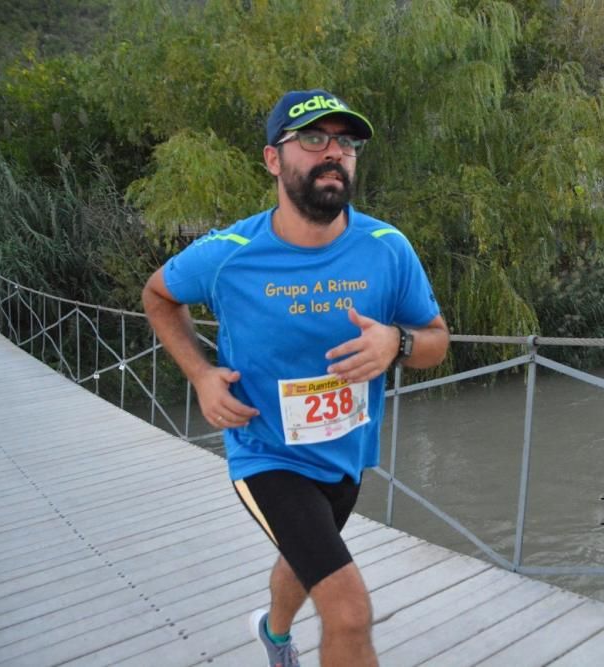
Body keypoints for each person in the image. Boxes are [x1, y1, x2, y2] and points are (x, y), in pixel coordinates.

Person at [142, 88, 449, 667]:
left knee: (306, 561)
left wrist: (397, 342)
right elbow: (158, 296)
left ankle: (273, 634)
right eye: (312, 139)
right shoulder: (229, 254)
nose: (333, 153)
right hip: (268, 455)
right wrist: (203, 376)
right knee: (349, 610)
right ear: (273, 159)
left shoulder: (387, 249)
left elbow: (436, 342)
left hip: (347, 453)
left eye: (346, 142)